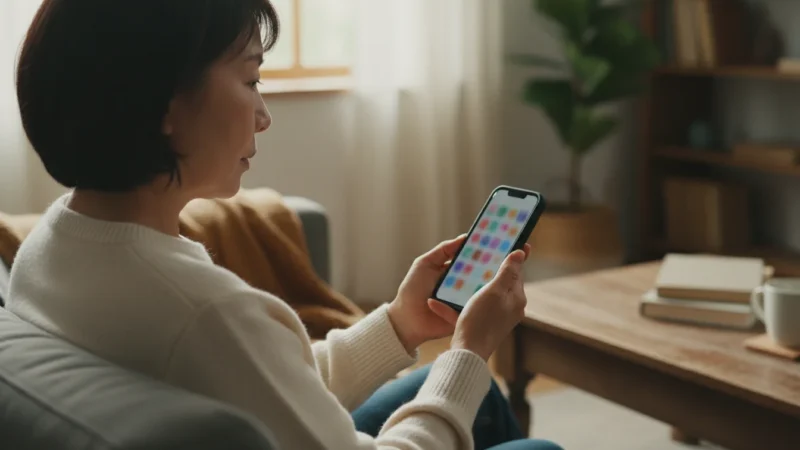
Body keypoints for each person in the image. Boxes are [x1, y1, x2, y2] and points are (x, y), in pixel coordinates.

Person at [7, 1, 562, 450]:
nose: (264, 116)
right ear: (166, 106)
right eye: (250, 80)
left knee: (477, 399)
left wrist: (397, 325)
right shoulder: (208, 313)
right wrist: (468, 352)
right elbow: (231, 351)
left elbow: (262, 385)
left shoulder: (49, 246)